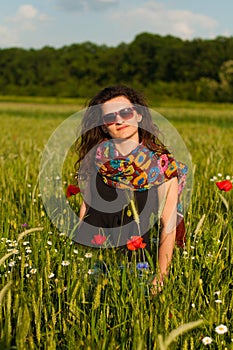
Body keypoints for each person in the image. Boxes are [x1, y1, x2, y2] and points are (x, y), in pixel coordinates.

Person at [71, 85, 188, 292]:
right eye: (110, 117)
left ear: (139, 116)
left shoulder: (161, 166)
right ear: (105, 126)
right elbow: (86, 208)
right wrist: (75, 256)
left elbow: (167, 226)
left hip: (138, 257)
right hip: (96, 253)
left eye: (126, 112)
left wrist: (160, 277)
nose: (119, 120)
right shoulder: (97, 158)